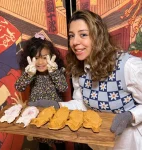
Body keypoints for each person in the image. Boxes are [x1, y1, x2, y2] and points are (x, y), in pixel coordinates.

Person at [58, 10, 142, 150]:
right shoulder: (78, 68)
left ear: (98, 36)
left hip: (129, 143)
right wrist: (58, 107)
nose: (74, 42)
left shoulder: (129, 66)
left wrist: (131, 115)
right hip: (98, 143)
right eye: (71, 36)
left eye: (83, 34)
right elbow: (82, 105)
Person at [15, 33, 68, 150]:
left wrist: (54, 72)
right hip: (37, 114)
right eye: (36, 58)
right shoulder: (31, 72)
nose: (40, 62)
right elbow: (19, 87)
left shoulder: (56, 70)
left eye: (44, 57)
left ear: (52, 56)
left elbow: (63, 88)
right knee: (42, 144)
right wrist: (28, 74)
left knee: (59, 142)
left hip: (55, 114)